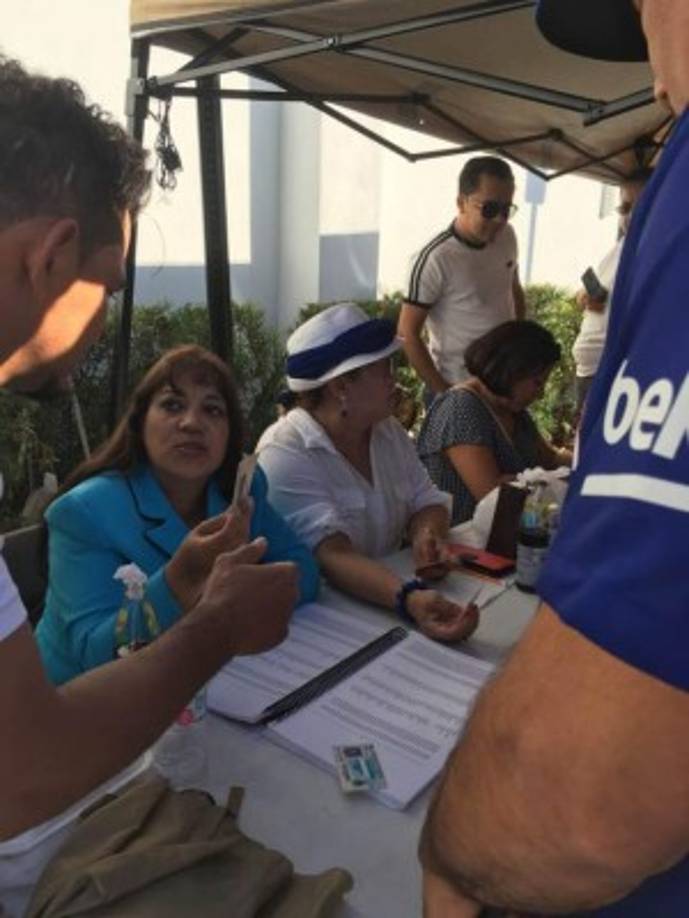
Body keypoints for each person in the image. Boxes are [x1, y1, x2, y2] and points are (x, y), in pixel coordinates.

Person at [0, 57, 297, 913]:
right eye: (108, 288)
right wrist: (212, 629)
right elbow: (23, 772)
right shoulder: (89, 509)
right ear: (53, 256)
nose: (102, 322)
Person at [419, 2, 689, 916]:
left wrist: (451, 868)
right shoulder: (460, 397)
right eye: (488, 206)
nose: (655, 87)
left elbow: (577, 801)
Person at [36, 345, 319, 685]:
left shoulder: (240, 489)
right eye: (172, 405)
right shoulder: (84, 513)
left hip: (215, 685)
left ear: (230, 434)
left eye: (213, 410)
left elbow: (302, 569)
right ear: (140, 422)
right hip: (78, 711)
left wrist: (246, 596)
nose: (192, 423)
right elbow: (97, 655)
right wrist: (179, 583)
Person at [258, 303, 480, 643]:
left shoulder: (386, 431)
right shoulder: (285, 451)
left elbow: (427, 500)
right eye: (384, 369)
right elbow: (332, 556)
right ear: (341, 387)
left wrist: (425, 535)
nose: (394, 380)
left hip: (383, 609)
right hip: (320, 632)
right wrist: (409, 596)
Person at [417, 321, 571, 525]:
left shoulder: (513, 411)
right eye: (537, 382)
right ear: (512, 371)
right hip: (462, 543)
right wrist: (543, 482)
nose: (541, 394)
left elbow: (550, 459)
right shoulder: (460, 408)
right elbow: (493, 496)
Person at [397, 156, 526, 398]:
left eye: (506, 210)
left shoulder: (508, 236)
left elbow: (513, 288)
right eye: (489, 209)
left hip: (504, 383)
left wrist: (518, 348)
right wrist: (446, 392)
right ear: (461, 203)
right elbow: (407, 333)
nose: (499, 219)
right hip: (457, 385)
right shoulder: (434, 258)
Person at [573, 168, 651, 413]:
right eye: (624, 208)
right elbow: (585, 293)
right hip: (588, 372)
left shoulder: (657, 254)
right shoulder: (620, 247)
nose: (629, 216)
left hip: (615, 375)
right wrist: (584, 297)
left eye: (638, 207)